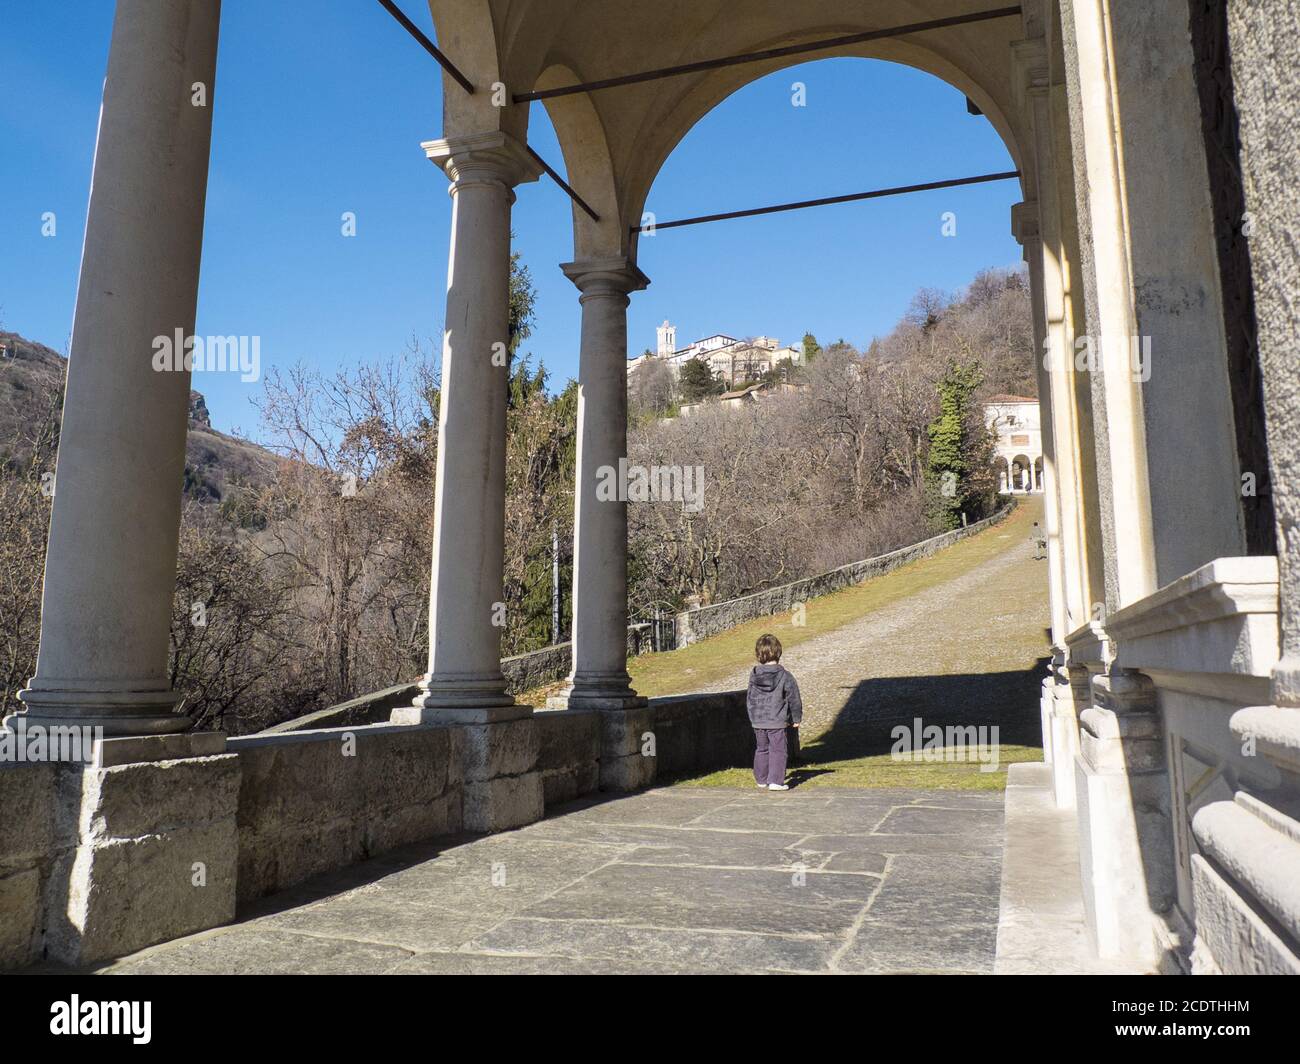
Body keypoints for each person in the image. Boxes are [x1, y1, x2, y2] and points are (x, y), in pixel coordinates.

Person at [747, 634, 803, 791]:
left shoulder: (754, 674)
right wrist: (796, 717)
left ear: (759, 654)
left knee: (761, 748)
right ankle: (776, 781)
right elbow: (794, 698)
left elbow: (749, 697)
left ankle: (761, 778)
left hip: (758, 719)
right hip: (776, 719)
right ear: (778, 652)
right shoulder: (785, 675)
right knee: (778, 749)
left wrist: (753, 716)